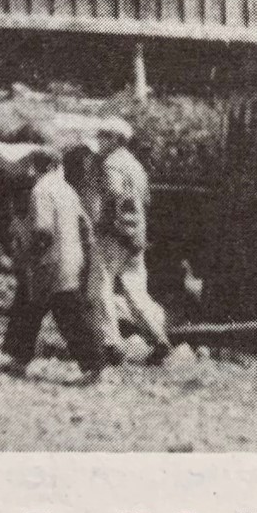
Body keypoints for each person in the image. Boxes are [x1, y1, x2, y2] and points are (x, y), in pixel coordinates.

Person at [3, 147, 108, 382]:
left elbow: (43, 230)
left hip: (50, 261)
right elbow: (85, 224)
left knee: (63, 312)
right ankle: (19, 358)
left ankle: (93, 365)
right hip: (71, 257)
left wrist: (30, 255)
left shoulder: (41, 191)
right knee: (32, 307)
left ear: (37, 166)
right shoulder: (67, 189)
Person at [80, 139, 173, 363]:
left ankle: (111, 342)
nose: (100, 139)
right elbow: (146, 199)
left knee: (99, 287)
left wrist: (101, 221)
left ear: (115, 138)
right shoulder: (135, 165)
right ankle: (158, 337)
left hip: (113, 235)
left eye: (104, 135)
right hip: (136, 234)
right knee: (136, 289)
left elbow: (113, 194)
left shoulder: (110, 164)